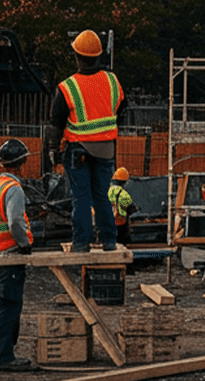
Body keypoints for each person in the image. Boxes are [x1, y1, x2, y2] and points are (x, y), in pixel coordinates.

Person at [49, 29, 126, 254]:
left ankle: (82, 243)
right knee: (102, 196)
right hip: (106, 149)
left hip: (78, 150)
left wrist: (53, 150)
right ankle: (109, 242)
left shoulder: (68, 87)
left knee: (81, 199)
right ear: (98, 56)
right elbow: (122, 108)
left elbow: (56, 123)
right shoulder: (112, 81)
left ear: (77, 55)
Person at [0, 138, 34, 374]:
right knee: (9, 305)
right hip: (7, 255)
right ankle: (4, 357)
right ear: (21, 164)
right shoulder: (14, 189)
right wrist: (24, 244)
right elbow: (14, 222)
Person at [108, 168, 137, 247]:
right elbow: (131, 208)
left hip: (106, 223)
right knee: (121, 244)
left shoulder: (106, 190)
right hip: (120, 223)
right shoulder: (123, 194)